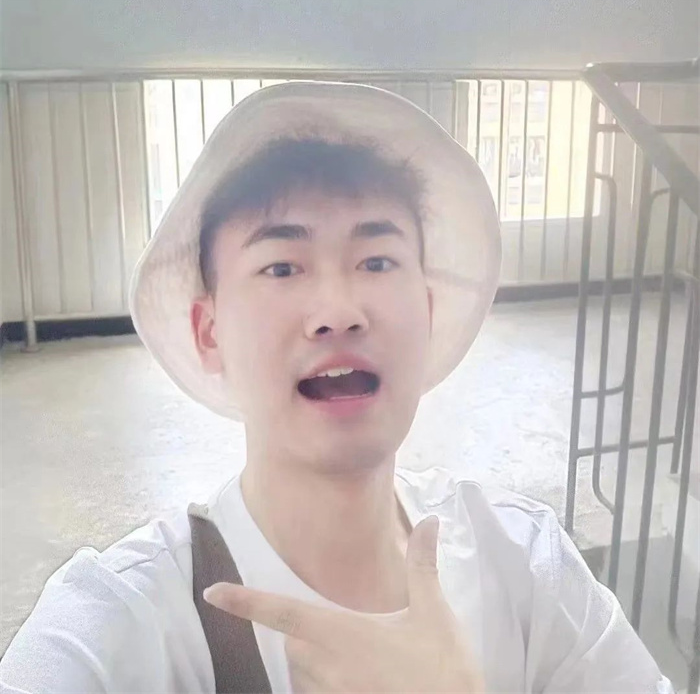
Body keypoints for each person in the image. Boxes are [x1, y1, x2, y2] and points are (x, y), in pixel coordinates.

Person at [0, 82, 671, 693]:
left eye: (376, 260)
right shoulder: (121, 620)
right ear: (209, 332)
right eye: (282, 266)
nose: (339, 311)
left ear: (427, 309)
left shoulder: (523, 560)